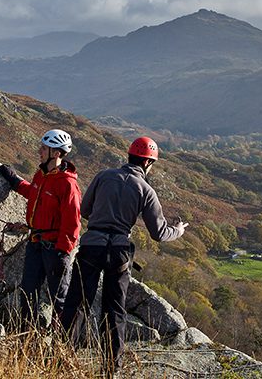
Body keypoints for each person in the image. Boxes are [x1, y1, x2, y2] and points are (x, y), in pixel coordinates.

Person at [58, 136, 187, 375]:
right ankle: (110, 370)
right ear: (148, 163)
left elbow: (84, 210)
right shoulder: (146, 190)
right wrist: (178, 231)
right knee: (114, 312)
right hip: (118, 253)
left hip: (91, 246)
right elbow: (159, 233)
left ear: (128, 156)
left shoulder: (103, 176)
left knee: (76, 304)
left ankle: (61, 362)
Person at [0, 129, 81, 329]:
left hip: (55, 249)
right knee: (28, 293)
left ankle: (59, 347)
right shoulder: (41, 175)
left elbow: (73, 222)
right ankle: (28, 338)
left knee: (59, 299)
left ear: (57, 153)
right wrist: (15, 181)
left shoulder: (68, 184)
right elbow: (34, 193)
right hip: (35, 243)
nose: (39, 151)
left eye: (44, 148)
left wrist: (63, 252)